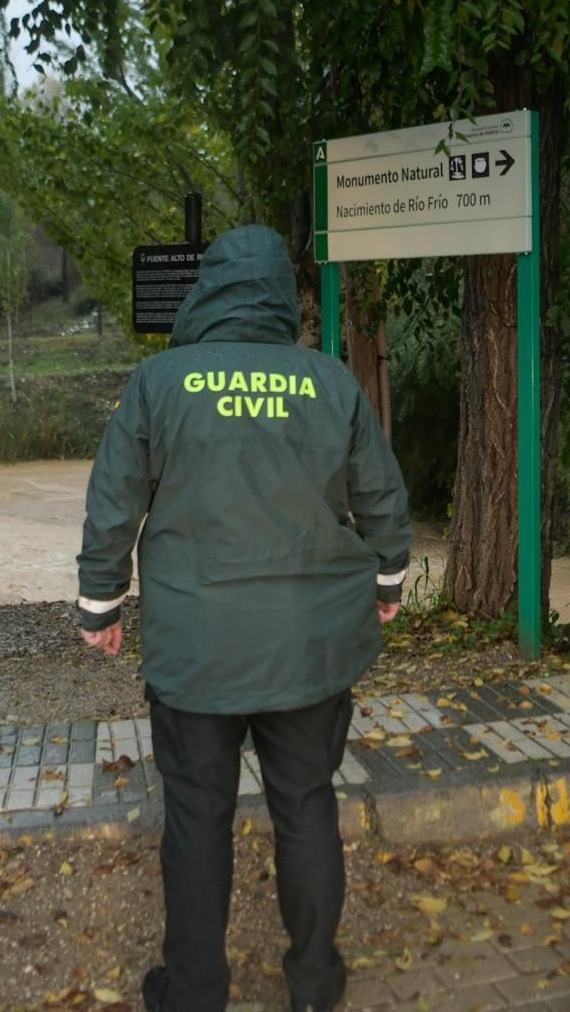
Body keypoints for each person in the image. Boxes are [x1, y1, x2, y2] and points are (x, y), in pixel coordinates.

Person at [76, 225, 412, 1012]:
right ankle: (315, 985)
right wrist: (389, 578)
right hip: (307, 644)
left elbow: (114, 495)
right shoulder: (329, 381)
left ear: (209, 289)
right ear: (278, 297)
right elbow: (382, 494)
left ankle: (193, 993)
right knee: (307, 805)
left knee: (196, 820)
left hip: (196, 648)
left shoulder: (160, 381)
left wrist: (102, 601)